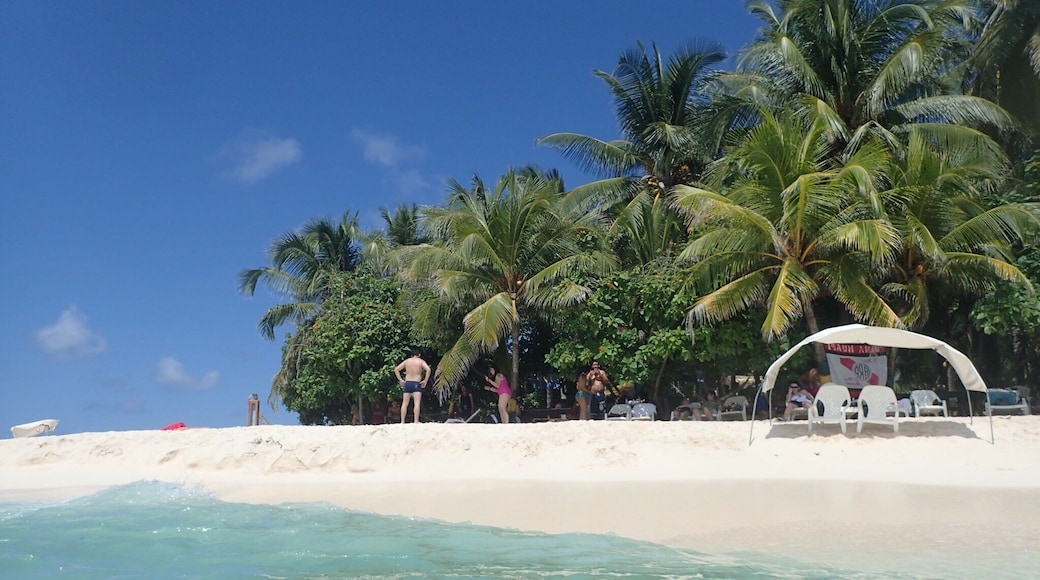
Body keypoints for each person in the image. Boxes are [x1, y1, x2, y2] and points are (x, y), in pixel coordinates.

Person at [394, 350, 431, 423]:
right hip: (416, 383)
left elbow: (396, 369)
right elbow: (428, 370)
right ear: (419, 355)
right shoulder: (421, 361)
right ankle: (416, 420)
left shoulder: (407, 361)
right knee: (417, 403)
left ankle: (402, 421)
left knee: (405, 403)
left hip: (408, 382)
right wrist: (425, 380)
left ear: (411, 355)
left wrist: (400, 380)